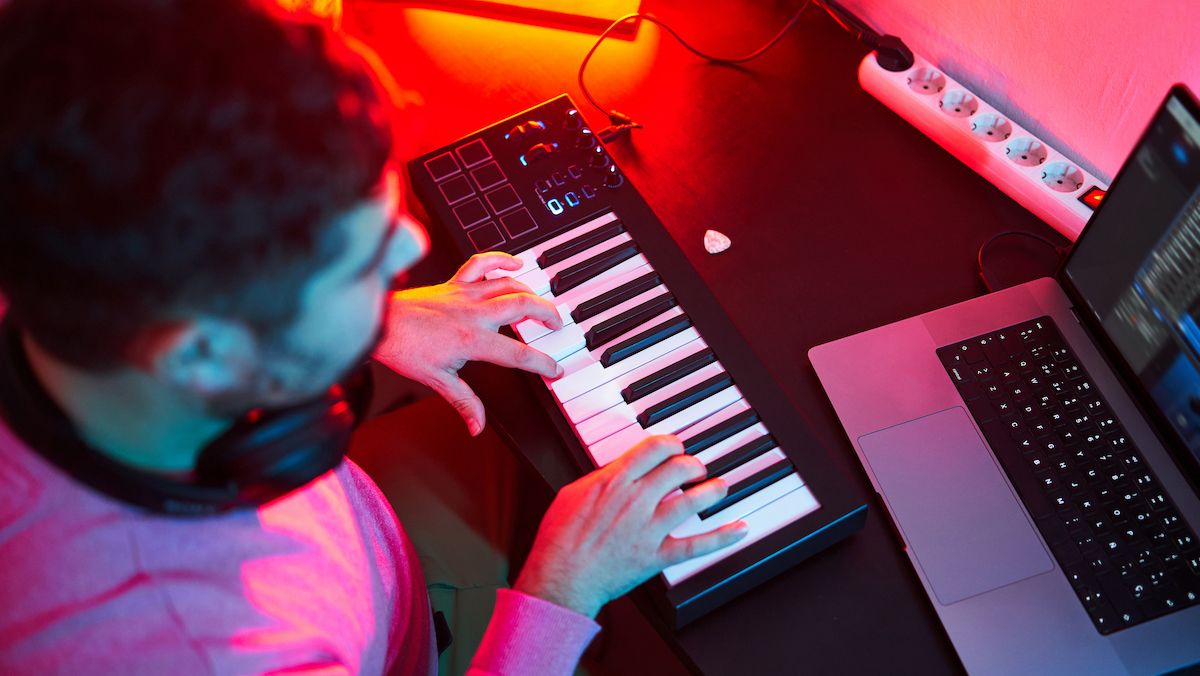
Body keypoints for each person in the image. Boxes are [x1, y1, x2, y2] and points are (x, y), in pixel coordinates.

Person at [0, 0, 749, 673]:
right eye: (363, 264)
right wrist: (561, 590)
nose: (409, 253)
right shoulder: (215, 649)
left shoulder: (57, 252)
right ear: (203, 354)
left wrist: (374, 320)